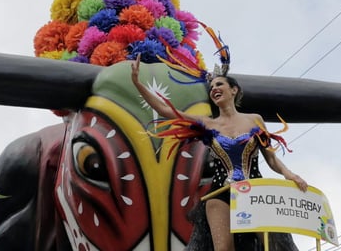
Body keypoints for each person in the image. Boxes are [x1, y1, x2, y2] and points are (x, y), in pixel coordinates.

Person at [130, 54, 308, 251]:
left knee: (271, 244)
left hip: (256, 191)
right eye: (212, 87)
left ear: (234, 90)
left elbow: (272, 158)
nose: (214, 89)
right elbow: (166, 110)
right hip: (221, 192)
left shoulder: (255, 120)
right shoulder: (208, 123)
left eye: (219, 84)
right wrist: (138, 84)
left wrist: (290, 175)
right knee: (223, 248)